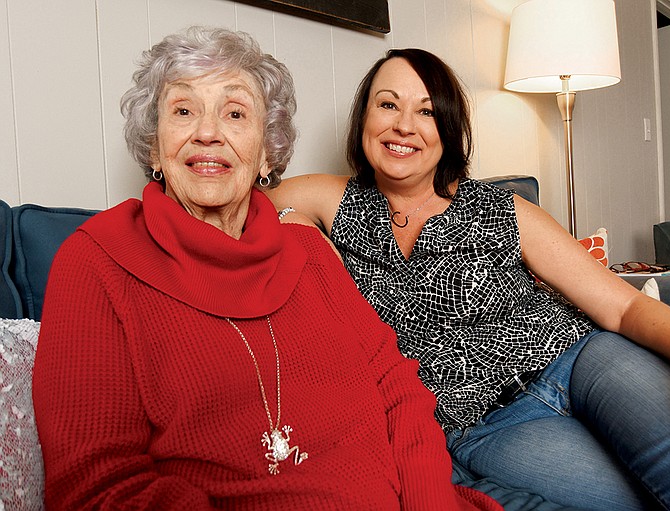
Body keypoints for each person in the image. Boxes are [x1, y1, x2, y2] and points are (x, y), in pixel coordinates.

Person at [265, 48, 670, 510]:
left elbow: (623, 307)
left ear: (448, 130)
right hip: (485, 425)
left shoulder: (503, 209)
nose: (404, 125)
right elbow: (227, 210)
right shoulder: (323, 200)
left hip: (584, 361)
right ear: (364, 119)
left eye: (426, 111)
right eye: (388, 104)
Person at [31, 28, 503, 511]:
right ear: (154, 148)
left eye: (235, 113)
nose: (208, 132)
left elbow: (397, 389)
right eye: (183, 111)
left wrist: (430, 503)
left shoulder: (309, 251)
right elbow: (98, 488)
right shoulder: (97, 262)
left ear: (265, 154)